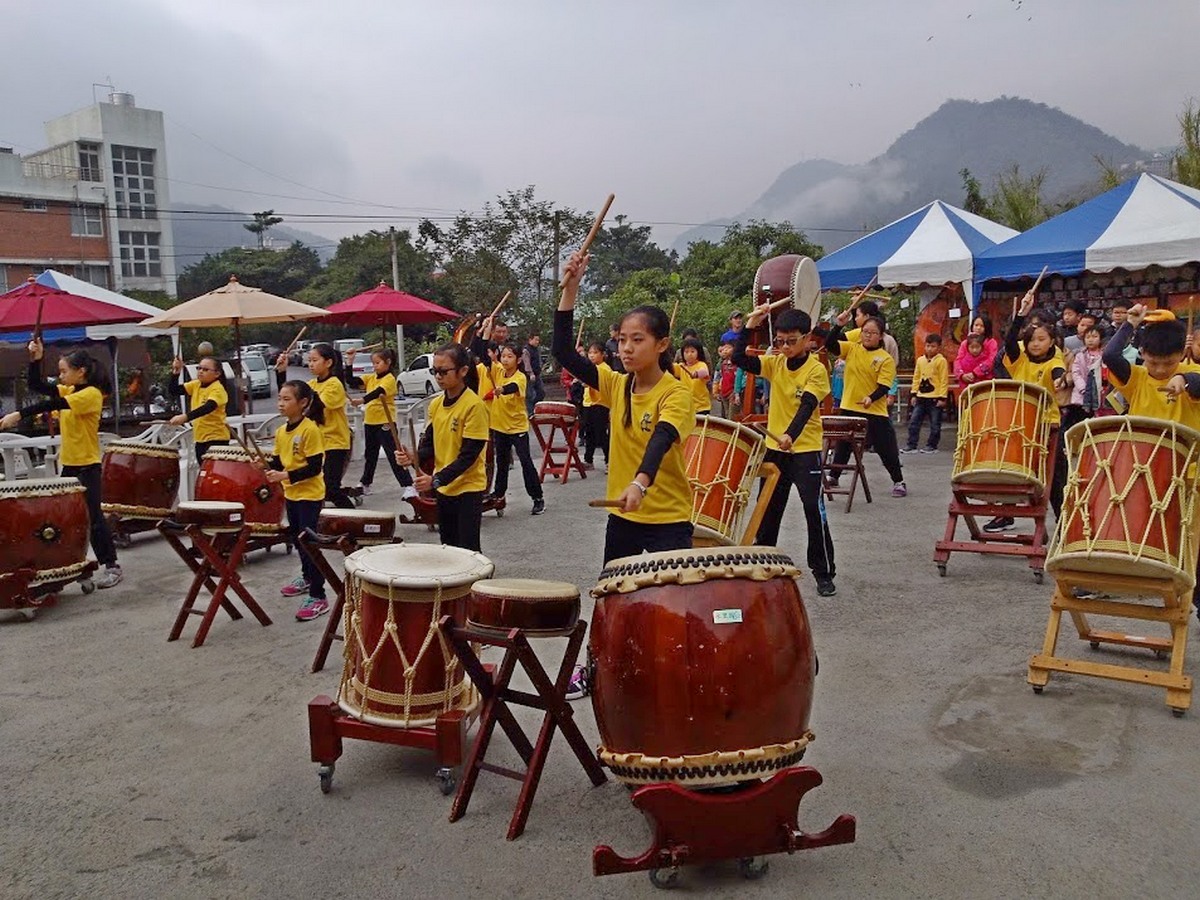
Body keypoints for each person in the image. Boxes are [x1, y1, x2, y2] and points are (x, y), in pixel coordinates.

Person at [552, 249, 695, 567]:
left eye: (637, 340)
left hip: (667, 519)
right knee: (613, 601)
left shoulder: (676, 393)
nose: (626, 348)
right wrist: (572, 289)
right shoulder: (616, 384)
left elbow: (660, 440)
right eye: (622, 340)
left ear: (661, 345)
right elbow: (562, 350)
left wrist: (639, 483)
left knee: (671, 610)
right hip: (623, 514)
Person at [1103, 305, 1200, 618]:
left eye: (1168, 363)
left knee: (1193, 546)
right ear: (1142, 353)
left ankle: (1194, 602)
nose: (1160, 369)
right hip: (1145, 474)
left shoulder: (1191, 377)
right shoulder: (1139, 378)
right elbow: (1111, 357)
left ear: (1181, 355)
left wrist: (1183, 378)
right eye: (1153, 362)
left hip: (1188, 478)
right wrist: (1130, 324)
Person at [1, 340, 122, 588]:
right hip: (69, 465)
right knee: (68, 519)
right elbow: (36, 385)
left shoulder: (91, 394)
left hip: (87, 465)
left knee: (93, 517)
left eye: (64, 371)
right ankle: (75, 565)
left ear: (82, 372)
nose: (60, 375)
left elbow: (53, 404)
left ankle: (112, 565)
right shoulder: (72, 390)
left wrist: (19, 414)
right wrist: (35, 359)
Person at [733, 307, 837, 596]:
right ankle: (764, 562)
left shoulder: (817, 369)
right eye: (780, 341)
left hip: (804, 449)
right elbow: (740, 358)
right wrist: (749, 326)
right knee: (767, 509)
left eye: (791, 341)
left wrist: (791, 434)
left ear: (806, 339)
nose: (785, 347)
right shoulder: (775, 363)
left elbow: (807, 407)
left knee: (812, 511)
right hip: (774, 449)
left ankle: (823, 571)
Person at [395, 344, 489, 551]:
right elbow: (429, 446)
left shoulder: (474, 406)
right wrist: (412, 457)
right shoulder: (436, 404)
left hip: (468, 487)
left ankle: (477, 584)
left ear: (463, 371)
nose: (438, 376)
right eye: (434, 371)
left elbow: (469, 456)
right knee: (449, 547)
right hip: (444, 487)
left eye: (443, 371)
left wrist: (435, 479)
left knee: (469, 550)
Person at [988, 288, 1068, 531]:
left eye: (1042, 339)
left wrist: (1061, 381)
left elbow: (1059, 375)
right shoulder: (1019, 356)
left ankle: (1065, 521)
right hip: (1019, 422)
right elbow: (1011, 339)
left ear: (1052, 341)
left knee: (1054, 477)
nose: (1035, 344)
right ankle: (1005, 514)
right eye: (1032, 339)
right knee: (1010, 469)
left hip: (1047, 425)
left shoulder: (1056, 360)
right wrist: (1021, 313)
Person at [265, 380, 328, 621]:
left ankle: (318, 595)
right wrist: (265, 466)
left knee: (310, 544)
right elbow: (279, 462)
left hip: (310, 496)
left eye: (286, 399)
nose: (280, 403)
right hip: (291, 494)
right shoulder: (282, 432)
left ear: (303, 403)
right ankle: (307, 577)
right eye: (279, 399)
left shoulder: (310, 430)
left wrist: (284, 475)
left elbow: (314, 467)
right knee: (298, 540)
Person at [826, 310, 906, 497]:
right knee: (843, 445)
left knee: (885, 447)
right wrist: (838, 325)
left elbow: (884, 386)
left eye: (872, 333)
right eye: (865, 332)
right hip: (849, 406)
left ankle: (898, 480)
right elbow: (829, 344)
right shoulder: (852, 349)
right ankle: (834, 476)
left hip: (875, 410)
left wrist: (871, 397)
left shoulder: (885, 358)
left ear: (880, 337)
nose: (868, 336)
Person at [277, 343, 353, 509]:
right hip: (317, 443)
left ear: (328, 362)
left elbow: (315, 407)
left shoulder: (334, 384)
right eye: (309, 360)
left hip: (335, 442)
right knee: (318, 488)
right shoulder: (312, 384)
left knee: (330, 488)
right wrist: (281, 373)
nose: (310, 364)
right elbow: (291, 396)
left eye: (314, 360)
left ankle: (355, 521)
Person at [482, 333, 545, 515]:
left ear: (518, 360)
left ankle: (537, 497)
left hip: (516, 427)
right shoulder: (497, 371)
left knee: (526, 462)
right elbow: (484, 352)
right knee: (501, 463)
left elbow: (513, 388)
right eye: (503, 356)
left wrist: (501, 389)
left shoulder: (520, 377)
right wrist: (484, 331)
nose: (506, 359)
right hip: (499, 426)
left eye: (510, 356)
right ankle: (499, 494)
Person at [346, 347, 415, 499]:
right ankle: (366, 483)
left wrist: (362, 400)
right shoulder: (371, 378)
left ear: (388, 362)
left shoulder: (390, 379)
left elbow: (378, 392)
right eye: (373, 363)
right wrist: (349, 362)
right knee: (370, 455)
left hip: (386, 422)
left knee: (393, 454)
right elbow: (351, 382)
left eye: (377, 362)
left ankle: (409, 485)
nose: (374, 366)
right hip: (370, 421)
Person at [167, 355, 230, 462]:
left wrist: (186, 417)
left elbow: (208, 407)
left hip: (216, 438)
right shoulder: (196, 385)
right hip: (200, 438)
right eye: (199, 368)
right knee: (203, 471)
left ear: (217, 374)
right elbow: (174, 390)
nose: (200, 371)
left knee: (213, 472)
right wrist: (176, 372)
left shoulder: (218, 389)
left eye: (205, 369)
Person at [902, 333, 949, 453]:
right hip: (921, 397)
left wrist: (942, 397)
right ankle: (911, 444)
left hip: (935, 398)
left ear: (938, 347)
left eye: (933, 346)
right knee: (914, 422)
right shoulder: (920, 360)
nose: (930, 349)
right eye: (928, 346)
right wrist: (913, 393)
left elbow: (944, 380)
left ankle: (932, 445)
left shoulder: (941, 361)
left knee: (935, 424)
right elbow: (916, 377)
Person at [581, 341, 611, 468]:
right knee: (589, 433)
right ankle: (588, 460)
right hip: (588, 403)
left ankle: (609, 461)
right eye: (590, 353)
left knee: (601, 434)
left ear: (602, 354)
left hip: (601, 403)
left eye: (595, 353)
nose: (592, 355)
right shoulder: (590, 367)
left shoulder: (605, 369)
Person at [676, 337, 712, 415]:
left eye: (692, 351)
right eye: (686, 352)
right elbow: (669, 368)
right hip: (686, 407)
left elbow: (705, 372)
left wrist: (696, 373)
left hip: (701, 407)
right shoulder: (681, 367)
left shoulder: (701, 364)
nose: (689, 354)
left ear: (698, 352)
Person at [521, 333, 546, 416]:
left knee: (541, 392)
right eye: (535, 340)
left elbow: (539, 360)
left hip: (537, 374)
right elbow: (526, 363)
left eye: (538, 340)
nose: (537, 342)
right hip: (529, 376)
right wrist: (530, 373)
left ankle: (536, 408)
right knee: (529, 395)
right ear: (530, 340)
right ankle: (530, 412)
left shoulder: (536, 349)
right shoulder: (526, 350)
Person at [712, 340, 737, 418]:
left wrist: (736, 391)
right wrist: (716, 391)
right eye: (724, 348)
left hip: (732, 392)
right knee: (726, 415)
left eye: (728, 348)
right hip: (723, 392)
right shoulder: (722, 364)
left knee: (732, 416)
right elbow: (718, 378)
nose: (725, 350)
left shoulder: (737, 363)